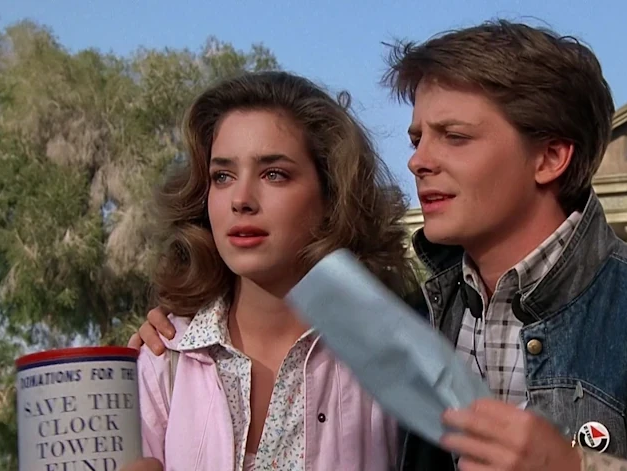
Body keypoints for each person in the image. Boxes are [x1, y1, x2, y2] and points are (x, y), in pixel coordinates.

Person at [131, 21, 627, 470]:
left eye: (454, 137)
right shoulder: (415, 319)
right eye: (417, 138)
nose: (419, 160)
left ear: (550, 157)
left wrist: (574, 468)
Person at [124, 71, 416, 470]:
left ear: (332, 194)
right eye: (222, 176)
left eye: (273, 174)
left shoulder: (392, 358)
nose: (241, 199)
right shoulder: (161, 361)